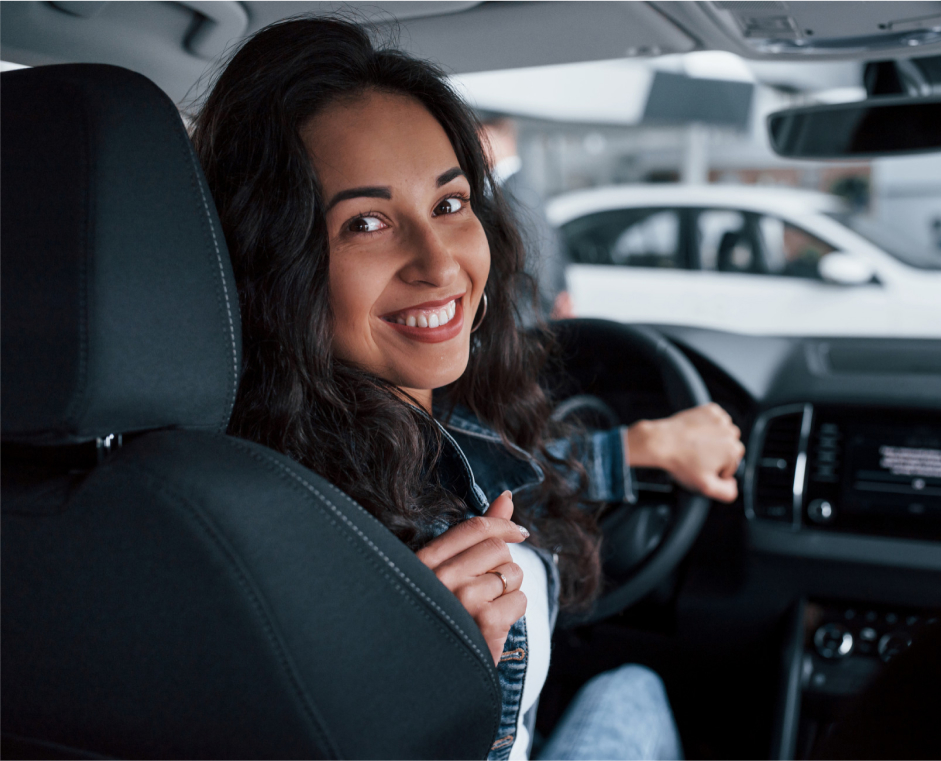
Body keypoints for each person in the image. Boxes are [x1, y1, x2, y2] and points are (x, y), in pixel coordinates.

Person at [193, 16, 744, 760]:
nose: (440, 264)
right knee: (635, 689)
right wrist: (423, 691)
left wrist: (639, 447)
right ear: (273, 261)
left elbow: (499, 475)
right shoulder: (295, 552)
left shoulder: (359, 439)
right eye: (366, 222)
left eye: (449, 205)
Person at [479, 113, 575, 322]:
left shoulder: (516, 192)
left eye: (482, 138)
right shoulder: (511, 187)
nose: (476, 147)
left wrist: (533, 316)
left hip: (522, 318)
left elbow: (538, 258)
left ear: (504, 140)